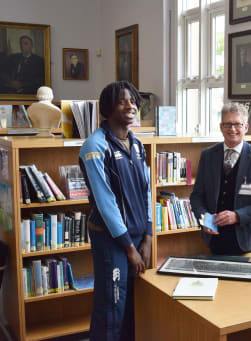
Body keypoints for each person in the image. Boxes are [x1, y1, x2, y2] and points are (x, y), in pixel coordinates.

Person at [78, 81, 152, 341]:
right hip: (111, 241)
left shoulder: (137, 144)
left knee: (133, 304)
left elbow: (146, 190)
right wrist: (129, 248)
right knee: (111, 305)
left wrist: (148, 236)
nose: (130, 105)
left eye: (132, 100)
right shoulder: (95, 146)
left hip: (137, 238)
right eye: (122, 101)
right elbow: (105, 201)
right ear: (108, 108)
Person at [190, 102, 251, 255]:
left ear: (246, 127)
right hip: (213, 236)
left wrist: (237, 216)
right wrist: (204, 218)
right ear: (221, 127)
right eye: (227, 124)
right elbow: (196, 196)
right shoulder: (207, 155)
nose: (232, 129)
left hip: (244, 239)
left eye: (237, 124)